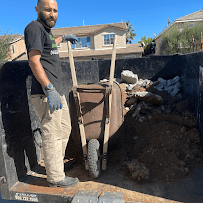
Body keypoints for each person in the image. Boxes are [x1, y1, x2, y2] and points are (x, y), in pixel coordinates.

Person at [24, 0, 79, 188]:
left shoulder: (46, 32)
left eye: (55, 10)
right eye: (48, 9)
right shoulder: (34, 28)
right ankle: (55, 177)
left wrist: (62, 38)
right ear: (37, 9)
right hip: (46, 93)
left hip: (57, 92)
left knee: (64, 129)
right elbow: (34, 61)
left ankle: (55, 166)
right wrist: (49, 89)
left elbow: (49, 46)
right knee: (52, 134)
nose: (52, 13)